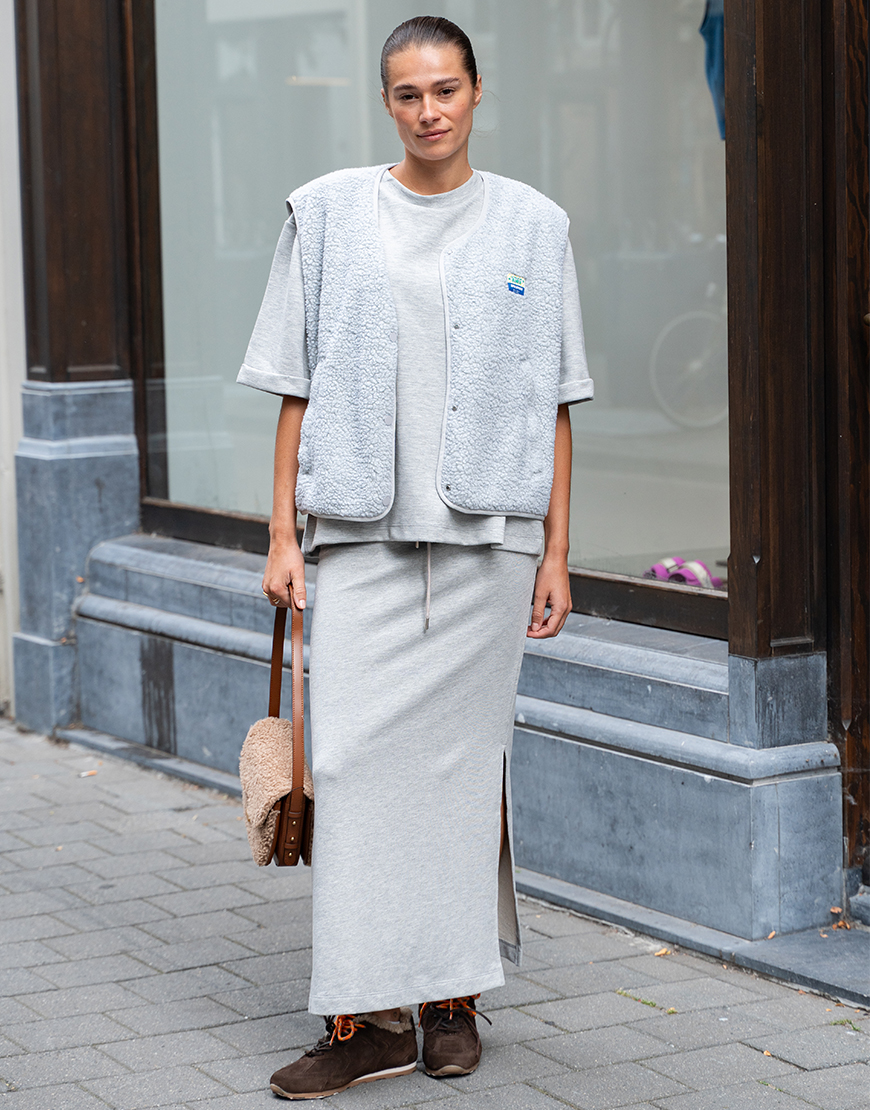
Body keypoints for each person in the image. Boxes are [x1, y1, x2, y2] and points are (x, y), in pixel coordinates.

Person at [237, 15, 593, 1100]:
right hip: (358, 538)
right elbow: (294, 385)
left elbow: (556, 402)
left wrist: (557, 552)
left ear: (477, 92)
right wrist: (282, 533)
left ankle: (449, 1003)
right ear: (385, 102)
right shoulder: (328, 213)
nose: (429, 110)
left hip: (491, 548)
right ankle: (364, 1020)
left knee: (460, 777)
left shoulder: (535, 225)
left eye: (445, 89)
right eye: (407, 93)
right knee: (348, 771)